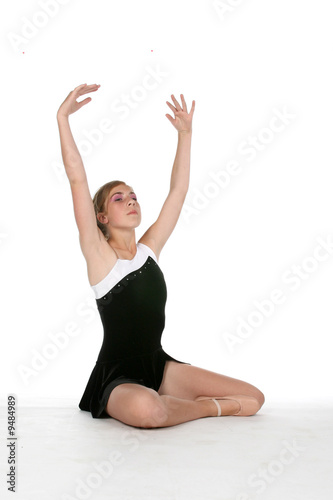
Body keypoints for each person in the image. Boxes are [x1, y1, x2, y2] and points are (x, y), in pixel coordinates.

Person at [56, 83, 265, 428]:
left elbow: (178, 192)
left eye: (134, 195)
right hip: (118, 375)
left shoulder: (148, 250)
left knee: (254, 398)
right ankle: (206, 408)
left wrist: (185, 134)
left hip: (158, 365)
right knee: (149, 412)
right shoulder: (99, 257)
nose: (131, 200)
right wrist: (62, 117)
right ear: (102, 218)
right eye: (119, 198)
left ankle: (173, 403)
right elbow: (77, 179)